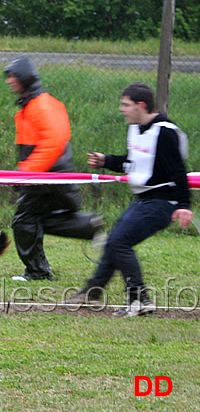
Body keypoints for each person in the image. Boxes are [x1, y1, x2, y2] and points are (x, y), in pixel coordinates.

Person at [67, 82, 193, 317]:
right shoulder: (136, 128)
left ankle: (139, 299)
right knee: (115, 241)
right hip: (143, 200)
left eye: (125, 105)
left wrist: (185, 206)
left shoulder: (164, 132)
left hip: (163, 202)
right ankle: (92, 292)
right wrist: (106, 161)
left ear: (141, 106)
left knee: (120, 242)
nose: (121, 109)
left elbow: (178, 172)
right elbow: (132, 162)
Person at [4, 54, 103, 281]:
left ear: (24, 78)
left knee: (24, 221)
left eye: (12, 77)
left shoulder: (42, 105)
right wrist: (22, 172)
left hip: (48, 176)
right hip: (44, 176)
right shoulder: (30, 106)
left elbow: (54, 143)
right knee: (34, 220)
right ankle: (89, 225)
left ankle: (38, 271)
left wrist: (25, 173)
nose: (9, 82)